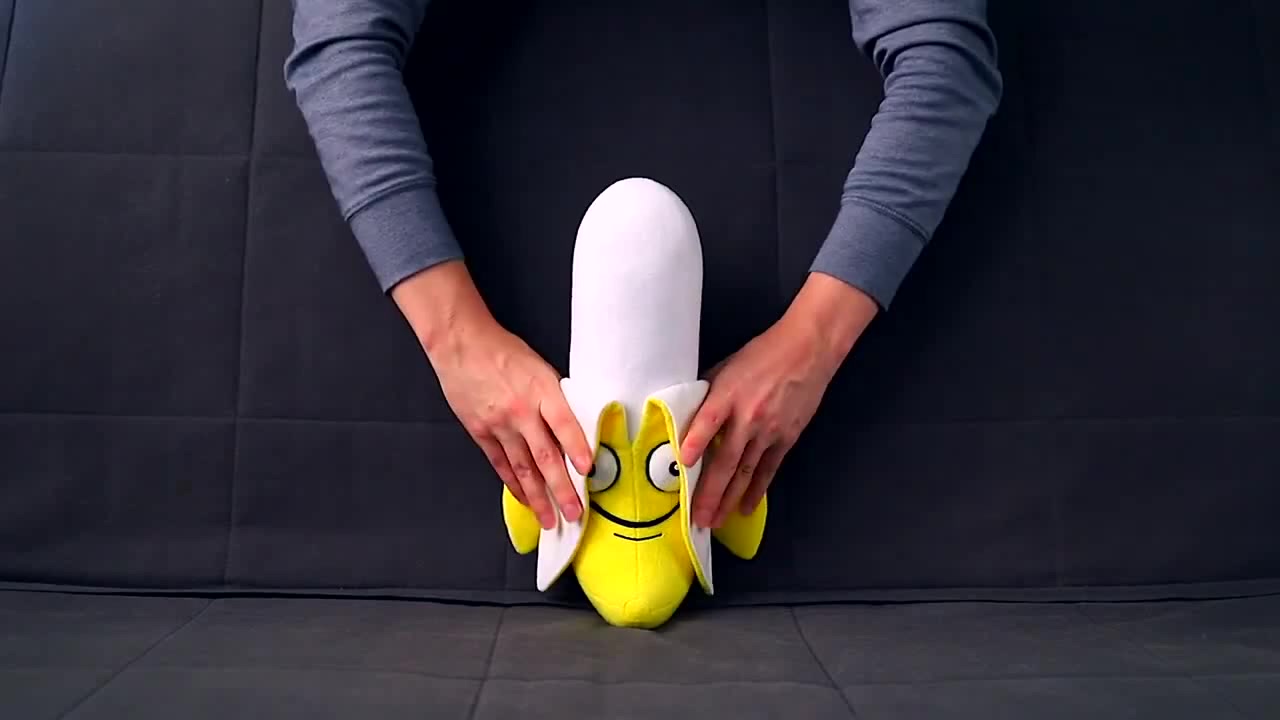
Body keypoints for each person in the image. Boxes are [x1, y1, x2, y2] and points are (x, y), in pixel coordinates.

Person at [285, 1, 1003, 532]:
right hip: (462, 424)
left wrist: (812, 343)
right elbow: (340, 42)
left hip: (832, 440)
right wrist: (456, 339)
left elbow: (943, 62)